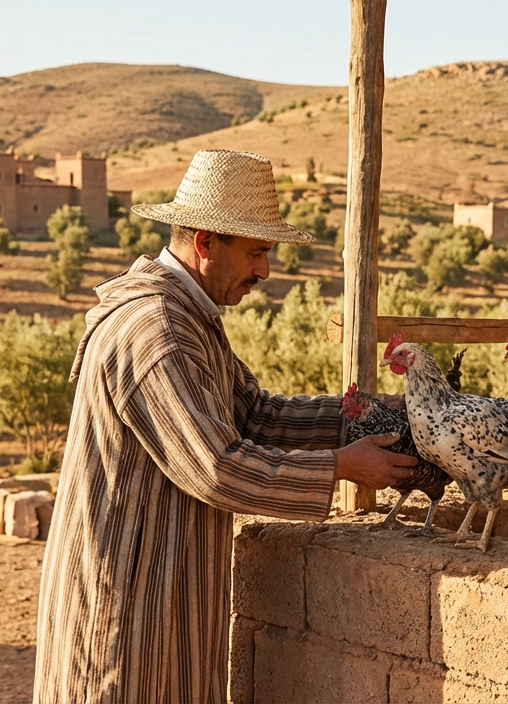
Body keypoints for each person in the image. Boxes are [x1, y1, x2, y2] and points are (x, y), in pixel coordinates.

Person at [33, 149, 416, 704]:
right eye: (257, 252)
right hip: (127, 607)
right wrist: (342, 466)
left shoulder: (190, 319)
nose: (265, 270)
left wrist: (359, 413)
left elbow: (254, 415)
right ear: (206, 242)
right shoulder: (157, 330)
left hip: (165, 595)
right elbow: (216, 467)